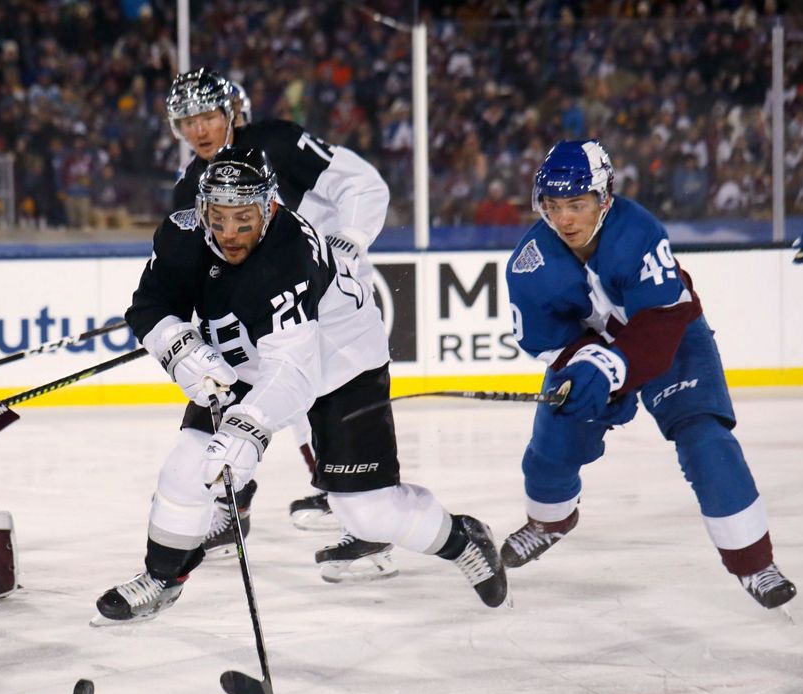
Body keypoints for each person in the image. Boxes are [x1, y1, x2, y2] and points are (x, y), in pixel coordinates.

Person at [92, 147, 508, 624]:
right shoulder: (182, 232)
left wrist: (248, 430)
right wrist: (179, 346)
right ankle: (163, 579)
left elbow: (293, 370)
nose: (228, 233)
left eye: (243, 219)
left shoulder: (286, 255)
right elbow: (149, 305)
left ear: (269, 208)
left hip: (340, 363)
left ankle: (462, 539)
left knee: (368, 514)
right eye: (218, 217)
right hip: (244, 359)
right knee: (186, 470)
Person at [502, 140, 796, 610]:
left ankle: (754, 563)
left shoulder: (636, 231)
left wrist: (617, 368)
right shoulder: (529, 264)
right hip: (592, 351)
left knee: (705, 439)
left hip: (671, 335)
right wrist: (586, 364)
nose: (564, 220)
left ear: (604, 197)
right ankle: (550, 522)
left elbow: (660, 322)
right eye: (553, 206)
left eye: (576, 204)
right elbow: (548, 339)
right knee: (551, 449)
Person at [165, 67, 394, 580]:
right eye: (187, 121)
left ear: (233, 112)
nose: (199, 130)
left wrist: (352, 238)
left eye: (208, 116)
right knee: (240, 392)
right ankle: (235, 507)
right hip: (257, 311)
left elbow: (361, 182)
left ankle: (363, 511)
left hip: (328, 302)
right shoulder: (190, 187)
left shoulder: (276, 143)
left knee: (326, 394)